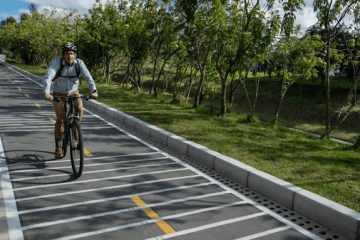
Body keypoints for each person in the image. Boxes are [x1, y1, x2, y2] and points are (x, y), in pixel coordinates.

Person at [43, 42, 98, 158]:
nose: (70, 56)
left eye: (72, 54)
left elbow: (88, 76)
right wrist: (47, 92)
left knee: (79, 109)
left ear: (75, 54)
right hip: (58, 92)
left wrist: (94, 90)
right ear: (63, 55)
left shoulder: (79, 64)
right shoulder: (57, 63)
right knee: (61, 119)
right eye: (67, 54)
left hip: (73, 91)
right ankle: (58, 145)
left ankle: (75, 128)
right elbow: (49, 75)